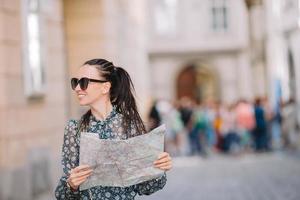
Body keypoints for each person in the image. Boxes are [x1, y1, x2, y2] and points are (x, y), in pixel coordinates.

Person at [55, 59, 172, 199]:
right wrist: (71, 185)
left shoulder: (129, 125)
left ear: (105, 87)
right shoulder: (75, 128)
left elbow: (145, 187)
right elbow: (62, 195)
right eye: (75, 82)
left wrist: (158, 169)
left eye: (84, 82)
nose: (77, 88)